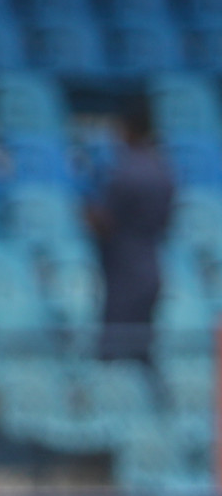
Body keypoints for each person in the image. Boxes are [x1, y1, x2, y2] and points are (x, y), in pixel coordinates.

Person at [86, 99, 174, 366]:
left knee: (113, 353)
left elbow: (106, 223)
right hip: (151, 268)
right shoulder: (164, 171)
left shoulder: (125, 173)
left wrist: (86, 215)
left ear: (128, 131)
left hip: (124, 272)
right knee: (142, 351)